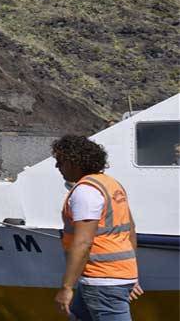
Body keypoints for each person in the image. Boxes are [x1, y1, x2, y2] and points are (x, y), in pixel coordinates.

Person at [52, 135, 143, 320]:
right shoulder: (111, 184)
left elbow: (83, 242)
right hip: (109, 278)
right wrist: (129, 275)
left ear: (74, 162)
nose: (57, 167)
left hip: (102, 281)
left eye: (60, 161)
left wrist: (67, 287)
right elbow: (130, 230)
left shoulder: (86, 191)